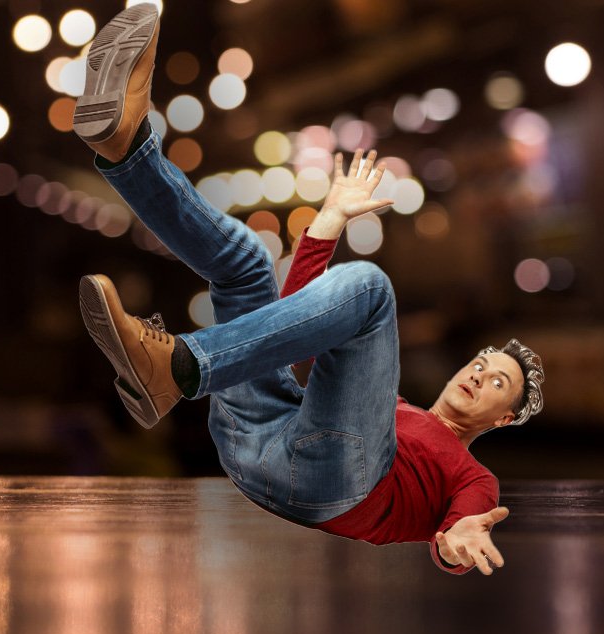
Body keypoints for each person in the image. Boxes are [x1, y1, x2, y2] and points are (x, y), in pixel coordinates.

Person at [74, 4, 544, 575]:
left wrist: (457, 540)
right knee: (247, 261)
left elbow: (460, 529)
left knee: (371, 288)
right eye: (481, 363)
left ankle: (179, 367)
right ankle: (128, 151)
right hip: (256, 437)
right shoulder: (383, 408)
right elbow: (298, 326)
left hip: (331, 482)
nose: (478, 374)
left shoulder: (474, 477)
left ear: (503, 419)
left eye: (499, 382)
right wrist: (329, 220)